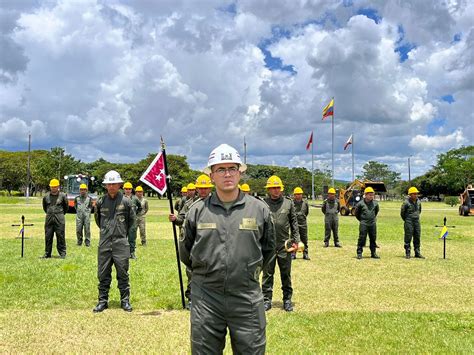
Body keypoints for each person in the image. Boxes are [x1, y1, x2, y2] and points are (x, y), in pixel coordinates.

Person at [180, 144, 274, 354]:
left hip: (246, 296)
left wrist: (246, 273)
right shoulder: (197, 211)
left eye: (232, 168)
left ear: (240, 172)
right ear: (211, 176)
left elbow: (268, 251)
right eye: (220, 169)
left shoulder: (259, 210)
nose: (227, 174)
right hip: (206, 298)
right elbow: (186, 253)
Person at [93, 170, 135, 313]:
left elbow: (131, 222)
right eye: (109, 184)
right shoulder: (100, 202)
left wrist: (120, 233)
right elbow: (98, 220)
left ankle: (125, 301)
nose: (111, 186)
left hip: (121, 242)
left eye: (114, 184)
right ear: (105, 186)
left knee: (123, 272)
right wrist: (107, 232)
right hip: (104, 242)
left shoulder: (126, 202)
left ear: (119, 185)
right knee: (103, 273)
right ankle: (102, 301)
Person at [262, 175, 300, 312]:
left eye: (278, 188)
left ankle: (287, 300)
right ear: (268, 189)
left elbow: (294, 224)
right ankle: (266, 300)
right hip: (268, 246)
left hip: (285, 246)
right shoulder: (263, 204)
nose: (276, 190)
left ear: (282, 189)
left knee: (286, 274)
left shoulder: (289, 203)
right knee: (267, 274)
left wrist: (296, 241)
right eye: (273, 188)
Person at [169, 182, 199, 309]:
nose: (193, 192)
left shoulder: (215, 202)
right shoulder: (188, 205)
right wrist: (175, 219)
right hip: (191, 241)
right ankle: (192, 297)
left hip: (210, 243)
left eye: (206, 188)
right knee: (191, 270)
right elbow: (181, 219)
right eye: (200, 188)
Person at [42, 178, 68, 259]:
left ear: (58, 187)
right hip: (49, 218)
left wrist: (60, 214)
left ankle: (62, 253)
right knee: (48, 236)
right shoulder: (46, 196)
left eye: (55, 187)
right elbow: (44, 207)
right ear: (50, 187)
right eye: (52, 187)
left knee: (60, 236)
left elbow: (66, 207)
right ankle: (47, 253)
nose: (53, 188)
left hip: (59, 217)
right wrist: (50, 213)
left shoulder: (63, 195)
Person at [355, 187, 380, 259]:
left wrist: (372, 219)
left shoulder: (375, 203)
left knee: (373, 238)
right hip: (364, 223)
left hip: (372, 223)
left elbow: (376, 212)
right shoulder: (360, 204)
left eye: (372, 195)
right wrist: (362, 220)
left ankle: (373, 253)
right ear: (365, 195)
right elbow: (357, 214)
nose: (371, 196)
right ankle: (359, 253)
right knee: (362, 238)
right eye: (369, 195)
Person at [401, 187, 424, 259]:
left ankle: (417, 252)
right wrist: (407, 219)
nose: (416, 195)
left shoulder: (419, 202)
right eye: (414, 194)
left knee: (417, 236)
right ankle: (408, 252)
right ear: (410, 195)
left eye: (417, 194)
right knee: (408, 237)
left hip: (416, 221)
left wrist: (416, 217)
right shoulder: (406, 203)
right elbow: (402, 213)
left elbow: (419, 211)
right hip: (408, 221)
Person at [123, 182, 142, 259]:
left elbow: (140, 208)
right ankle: (123, 253)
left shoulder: (135, 199)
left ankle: (132, 253)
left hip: (132, 222)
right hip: (123, 221)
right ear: (123, 189)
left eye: (129, 189)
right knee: (122, 238)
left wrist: (134, 214)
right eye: (126, 189)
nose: (128, 190)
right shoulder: (120, 198)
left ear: (131, 190)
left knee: (132, 238)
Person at [292, 187, 310, 259]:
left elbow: (307, 212)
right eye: (296, 194)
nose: (298, 196)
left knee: (304, 239)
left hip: (303, 223)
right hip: (294, 224)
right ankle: (293, 254)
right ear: (294, 195)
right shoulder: (291, 203)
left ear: (302, 195)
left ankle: (305, 254)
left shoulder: (305, 202)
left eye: (299, 194)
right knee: (294, 239)